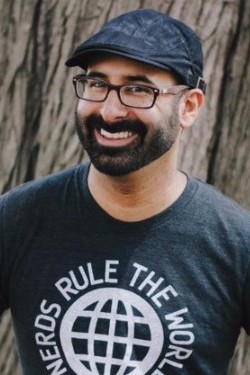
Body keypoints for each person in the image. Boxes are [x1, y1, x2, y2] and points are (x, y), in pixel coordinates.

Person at [0, 8, 249, 375]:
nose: (111, 111)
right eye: (97, 83)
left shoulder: (235, 243)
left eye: (138, 89)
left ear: (189, 106)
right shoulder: (17, 220)